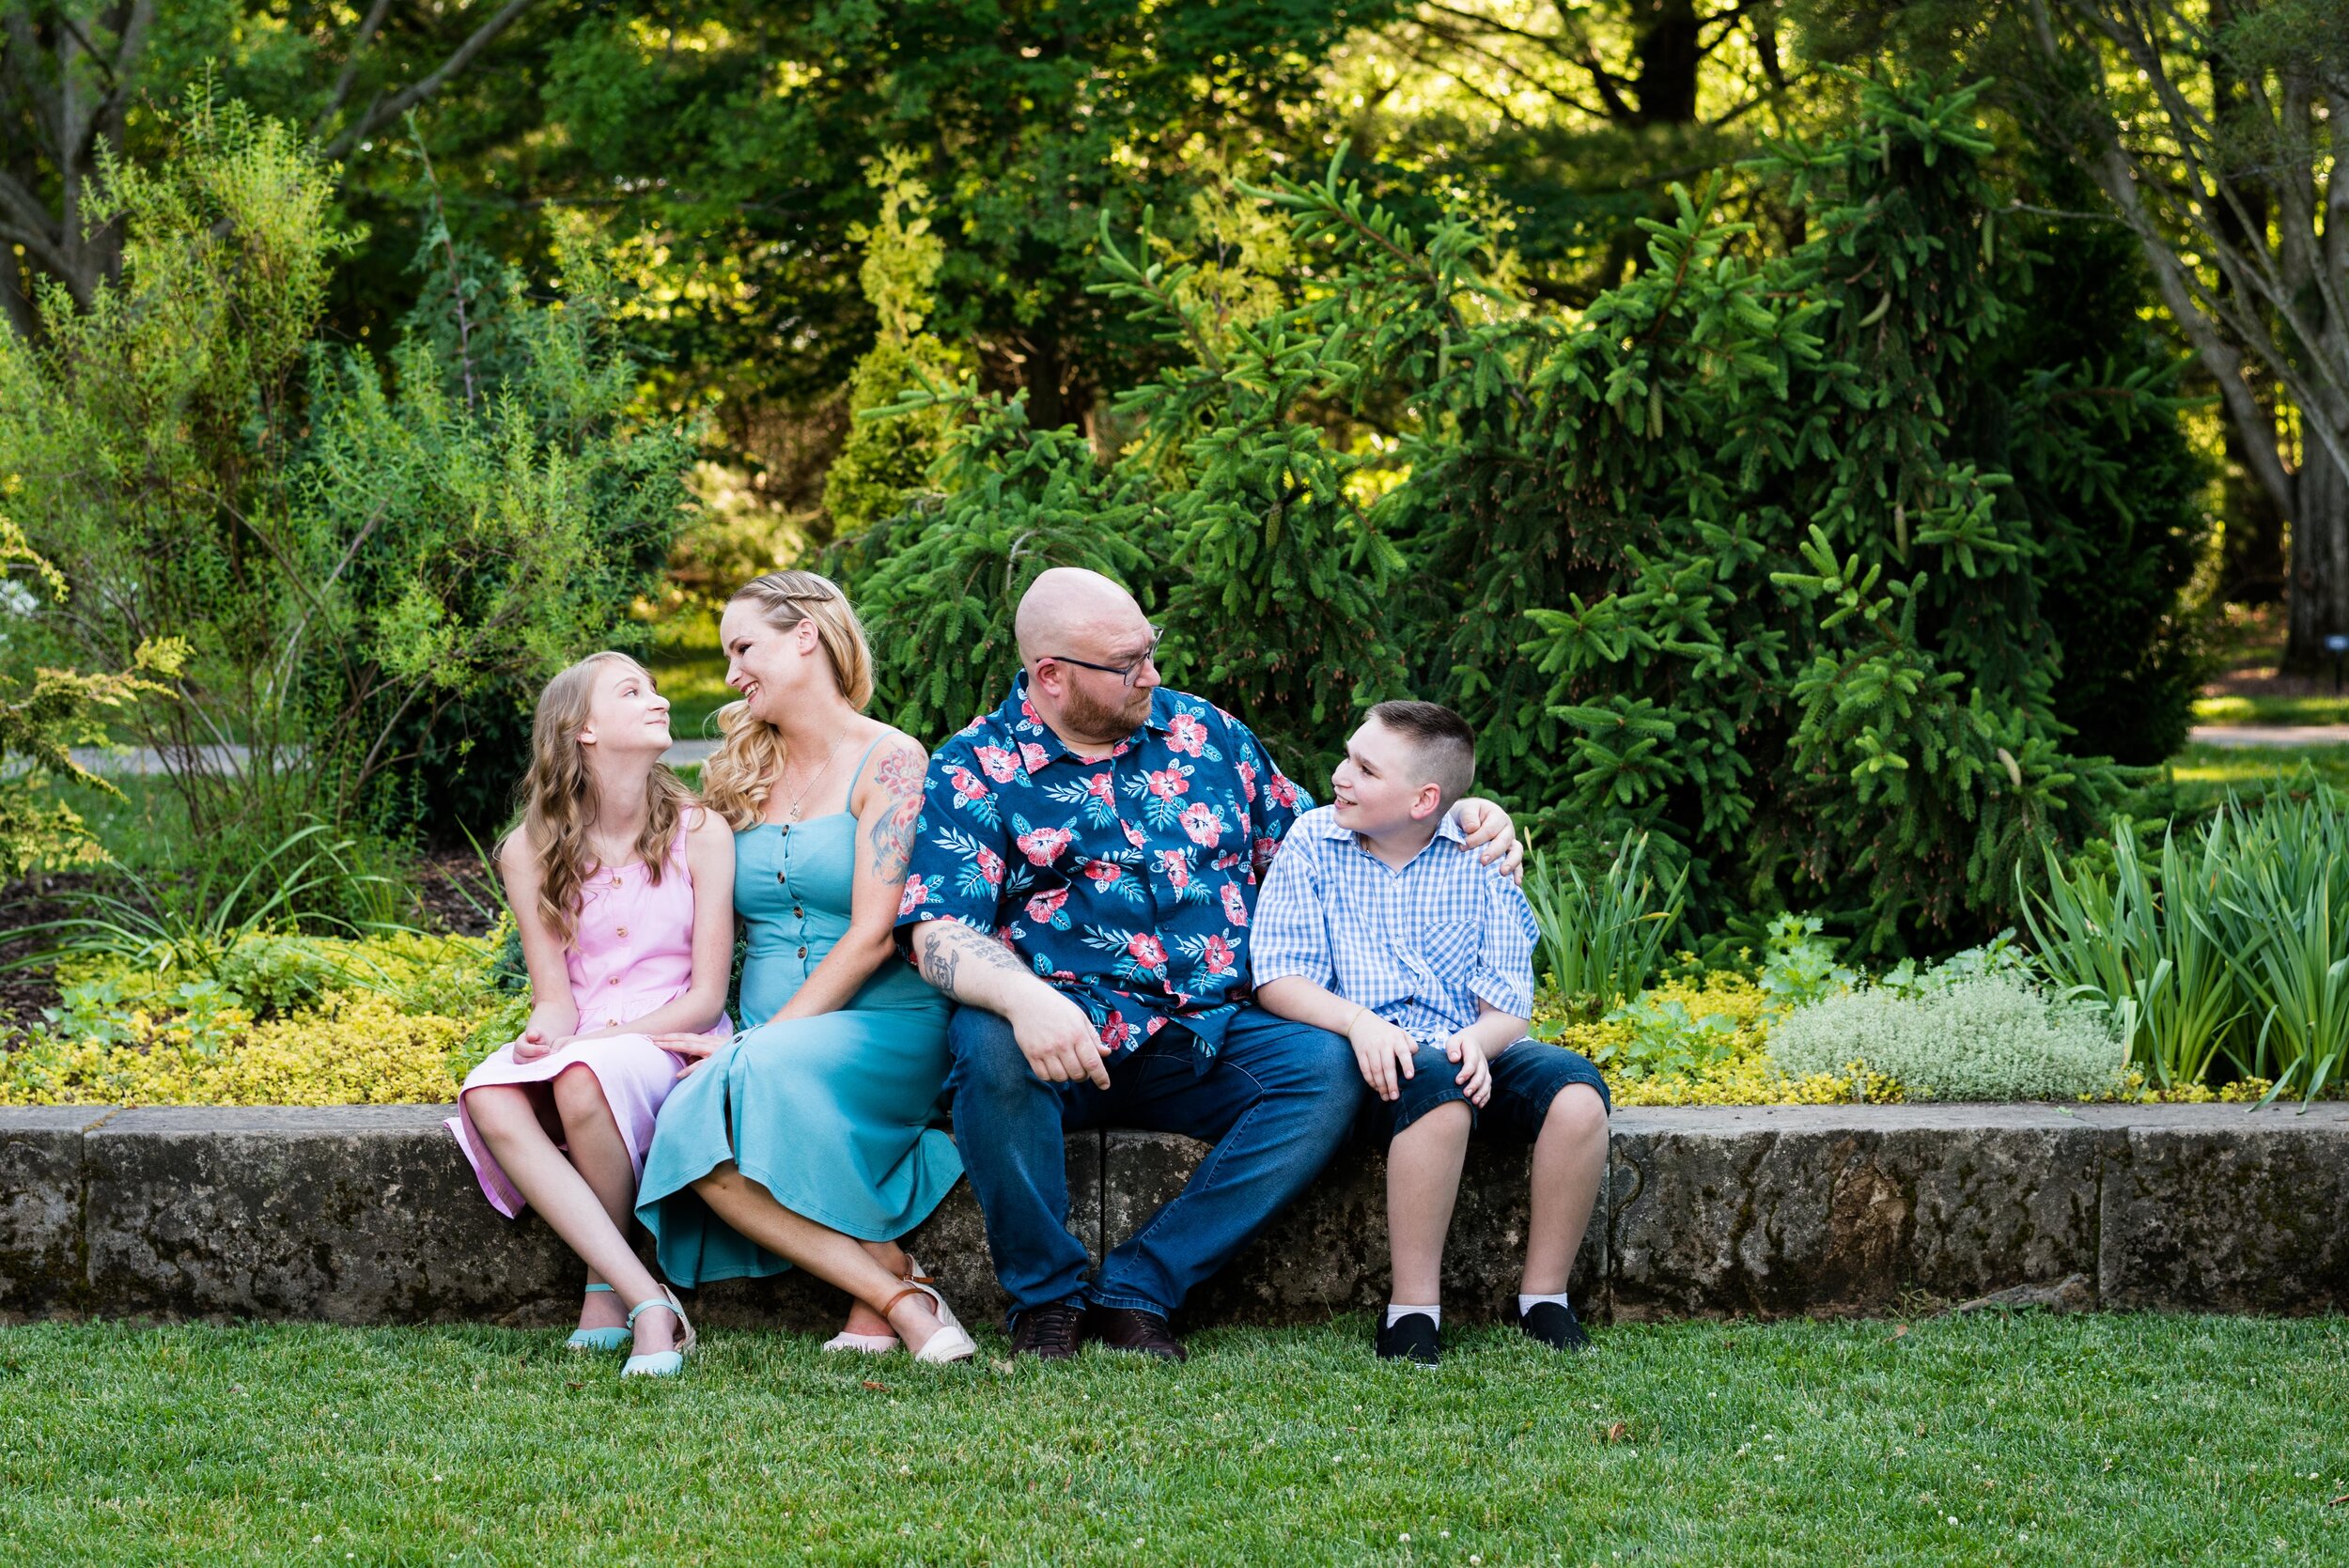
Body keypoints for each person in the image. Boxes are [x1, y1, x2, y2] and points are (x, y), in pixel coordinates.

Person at [895, 567, 1522, 1361]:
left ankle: (1140, 1289)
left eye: (1150, 651)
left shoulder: (1206, 736)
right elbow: (936, 931)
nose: (1151, 674)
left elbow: (1339, 833)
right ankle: (1045, 1303)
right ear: (1050, 676)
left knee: (1323, 1066)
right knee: (986, 1044)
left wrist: (1461, 812)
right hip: (1058, 1035)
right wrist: (1023, 997)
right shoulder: (975, 766)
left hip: (1208, 1033)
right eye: (1128, 665)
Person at [635, 570, 975, 1364]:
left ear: (806, 635)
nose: (729, 674)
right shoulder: (739, 771)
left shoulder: (890, 758)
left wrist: (756, 1044)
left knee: (734, 1085)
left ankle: (887, 1296)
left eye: (742, 647)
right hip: (764, 1033)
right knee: (687, 1137)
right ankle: (898, 1289)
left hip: (880, 1024)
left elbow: (870, 934)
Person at [1252, 700, 1610, 1366]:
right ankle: (1414, 1309)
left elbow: (1507, 1004)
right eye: (1348, 755)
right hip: (1373, 1056)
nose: (1340, 775)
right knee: (1440, 1091)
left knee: (1578, 1094)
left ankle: (1545, 1297)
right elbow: (1277, 976)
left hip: (1471, 1044)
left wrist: (1479, 1040)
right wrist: (1360, 1023)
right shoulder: (1313, 842)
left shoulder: (1480, 857)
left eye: (1365, 767)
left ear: (1425, 799)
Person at [447, 651, 735, 1378]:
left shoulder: (701, 831)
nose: (659, 698)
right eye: (632, 690)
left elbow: (705, 996)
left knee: (580, 1077)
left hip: (674, 1030)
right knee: (486, 1091)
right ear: (583, 729)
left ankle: (607, 1291)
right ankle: (647, 1297)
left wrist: (599, 1040)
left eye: (655, 686)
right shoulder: (530, 848)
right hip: (586, 1031)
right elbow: (555, 997)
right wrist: (547, 1030)